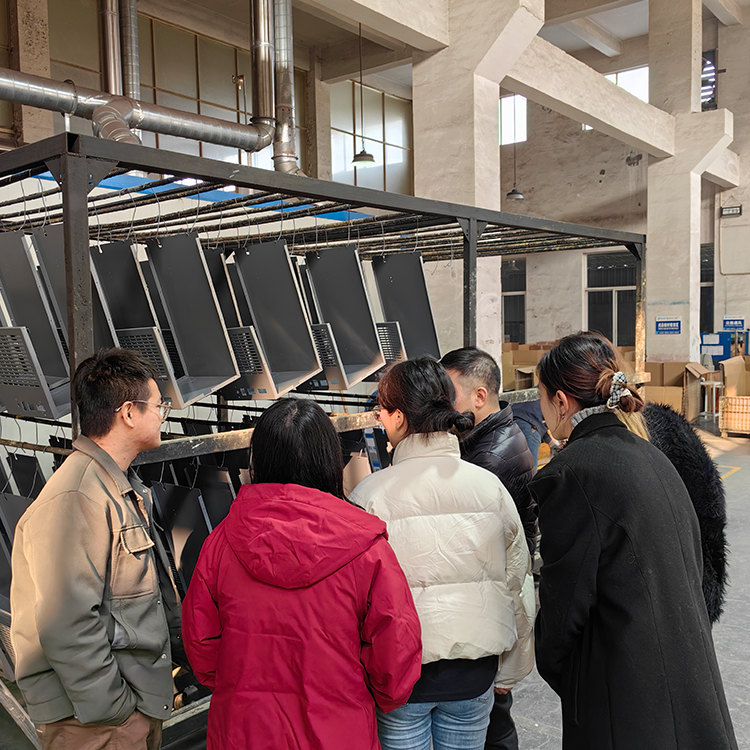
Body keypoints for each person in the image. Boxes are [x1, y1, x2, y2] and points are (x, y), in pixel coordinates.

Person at [529, 332, 737, 749]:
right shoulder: (652, 455)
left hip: (624, 693)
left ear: (562, 402)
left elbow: (565, 600)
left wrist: (565, 671)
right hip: (687, 680)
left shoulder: (571, 472)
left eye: (541, 395)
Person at [182, 398, 422, 750]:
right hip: (339, 730)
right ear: (329, 458)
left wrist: (242, 682)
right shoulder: (367, 549)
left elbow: (202, 649)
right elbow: (395, 656)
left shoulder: (221, 543)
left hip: (244, 728)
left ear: (259, 460)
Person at [350, 357, 535, 750]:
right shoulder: (489, 488)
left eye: (381, 411)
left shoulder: (368, 496)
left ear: (399, 418)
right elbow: (517, 580)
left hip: (399, 679)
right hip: (473, 676)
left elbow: (355, 599)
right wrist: (511, 670)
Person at [10, 348, 182, 750]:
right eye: (159, 405)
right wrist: (117, 710)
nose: (163, 415)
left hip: (118, 715)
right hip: (97, 724)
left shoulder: (114, 486)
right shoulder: (78, 497)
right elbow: (66, 623)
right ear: (128, 413)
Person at [440, 346, 534, 750]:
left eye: (450, 395)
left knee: (494, 725)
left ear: (480, 396)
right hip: (498, 604)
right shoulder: (495, 437)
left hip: (490, 608)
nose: (444, 407)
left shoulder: (487, 460)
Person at [643, 402, 729, 624]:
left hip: (668, 607)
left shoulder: (643, 442)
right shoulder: (671, 429)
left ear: (562, 402)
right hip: (697, 590)